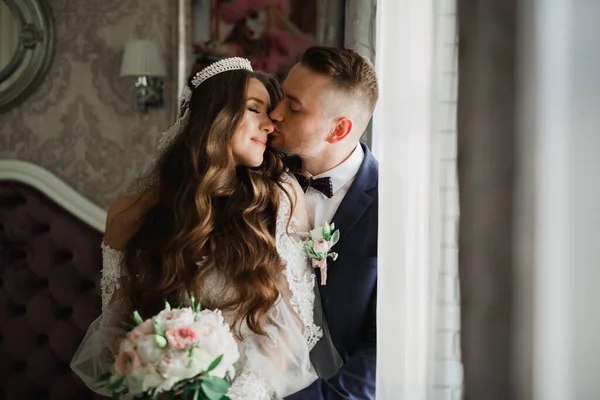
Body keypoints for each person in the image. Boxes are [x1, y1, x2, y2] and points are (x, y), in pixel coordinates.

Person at [70, 57, 328, 400]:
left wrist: (234, 396)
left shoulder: (279, 199)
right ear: (215, 117)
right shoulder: (130, 214)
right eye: (255, 109)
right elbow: (117, 331)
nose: (270, 125)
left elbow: (289, 332)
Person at [269, 46, 380, 399]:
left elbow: (389, 347)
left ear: (339, 129)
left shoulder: (393, 210)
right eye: (280, 97)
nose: (275, 113)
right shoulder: (258, 179)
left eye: (293, 106)